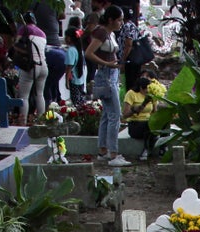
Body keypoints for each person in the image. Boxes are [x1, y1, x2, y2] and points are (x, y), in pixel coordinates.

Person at [85, 4, 131, 166]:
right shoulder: (102, 32)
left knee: (107, 115)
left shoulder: (108, 33)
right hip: (106, 75)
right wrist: (106, 63)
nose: (121, 23)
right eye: (119, 20)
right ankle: (113, 154)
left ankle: (103, 150)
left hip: (111, 74)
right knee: (115, 116)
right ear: (110, 20)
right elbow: (89, 53)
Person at [31, 1, 69, 106]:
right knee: (49, 83)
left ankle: (52, 105)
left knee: (48, 83)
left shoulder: (35, 4)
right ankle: (53, 104)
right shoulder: (54, 3)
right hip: (50, 44)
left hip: (45, 44)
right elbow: (62, 15)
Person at [16, 12, 49, 122]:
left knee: (24, 96)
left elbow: (17, 44)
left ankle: (23, 121)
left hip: (30, 66)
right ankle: (41, 121)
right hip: (43, 65)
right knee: (39, 94)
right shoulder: (42, 33)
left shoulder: (24, 29)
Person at [123, 74, 162, 160]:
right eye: (146, 89)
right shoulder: (131, 94)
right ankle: (147, 149)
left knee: (163, 123)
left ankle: (163, 148)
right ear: (141, 88)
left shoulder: (151, 95)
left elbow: (154, 112)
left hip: (148, 122)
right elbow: (125, 115)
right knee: (148, 126)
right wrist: (134, 109)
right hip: (135, 124)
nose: (148, 91)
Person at [64, 25, 87, 105]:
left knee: (75, 102)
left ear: (70, 38)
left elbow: (69, 68)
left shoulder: (71, 50)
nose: (65, 39)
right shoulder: (80, 50)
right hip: (80, 80)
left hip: (73, 80)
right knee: (80, 101)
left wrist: (66, 81)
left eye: (66, 36)